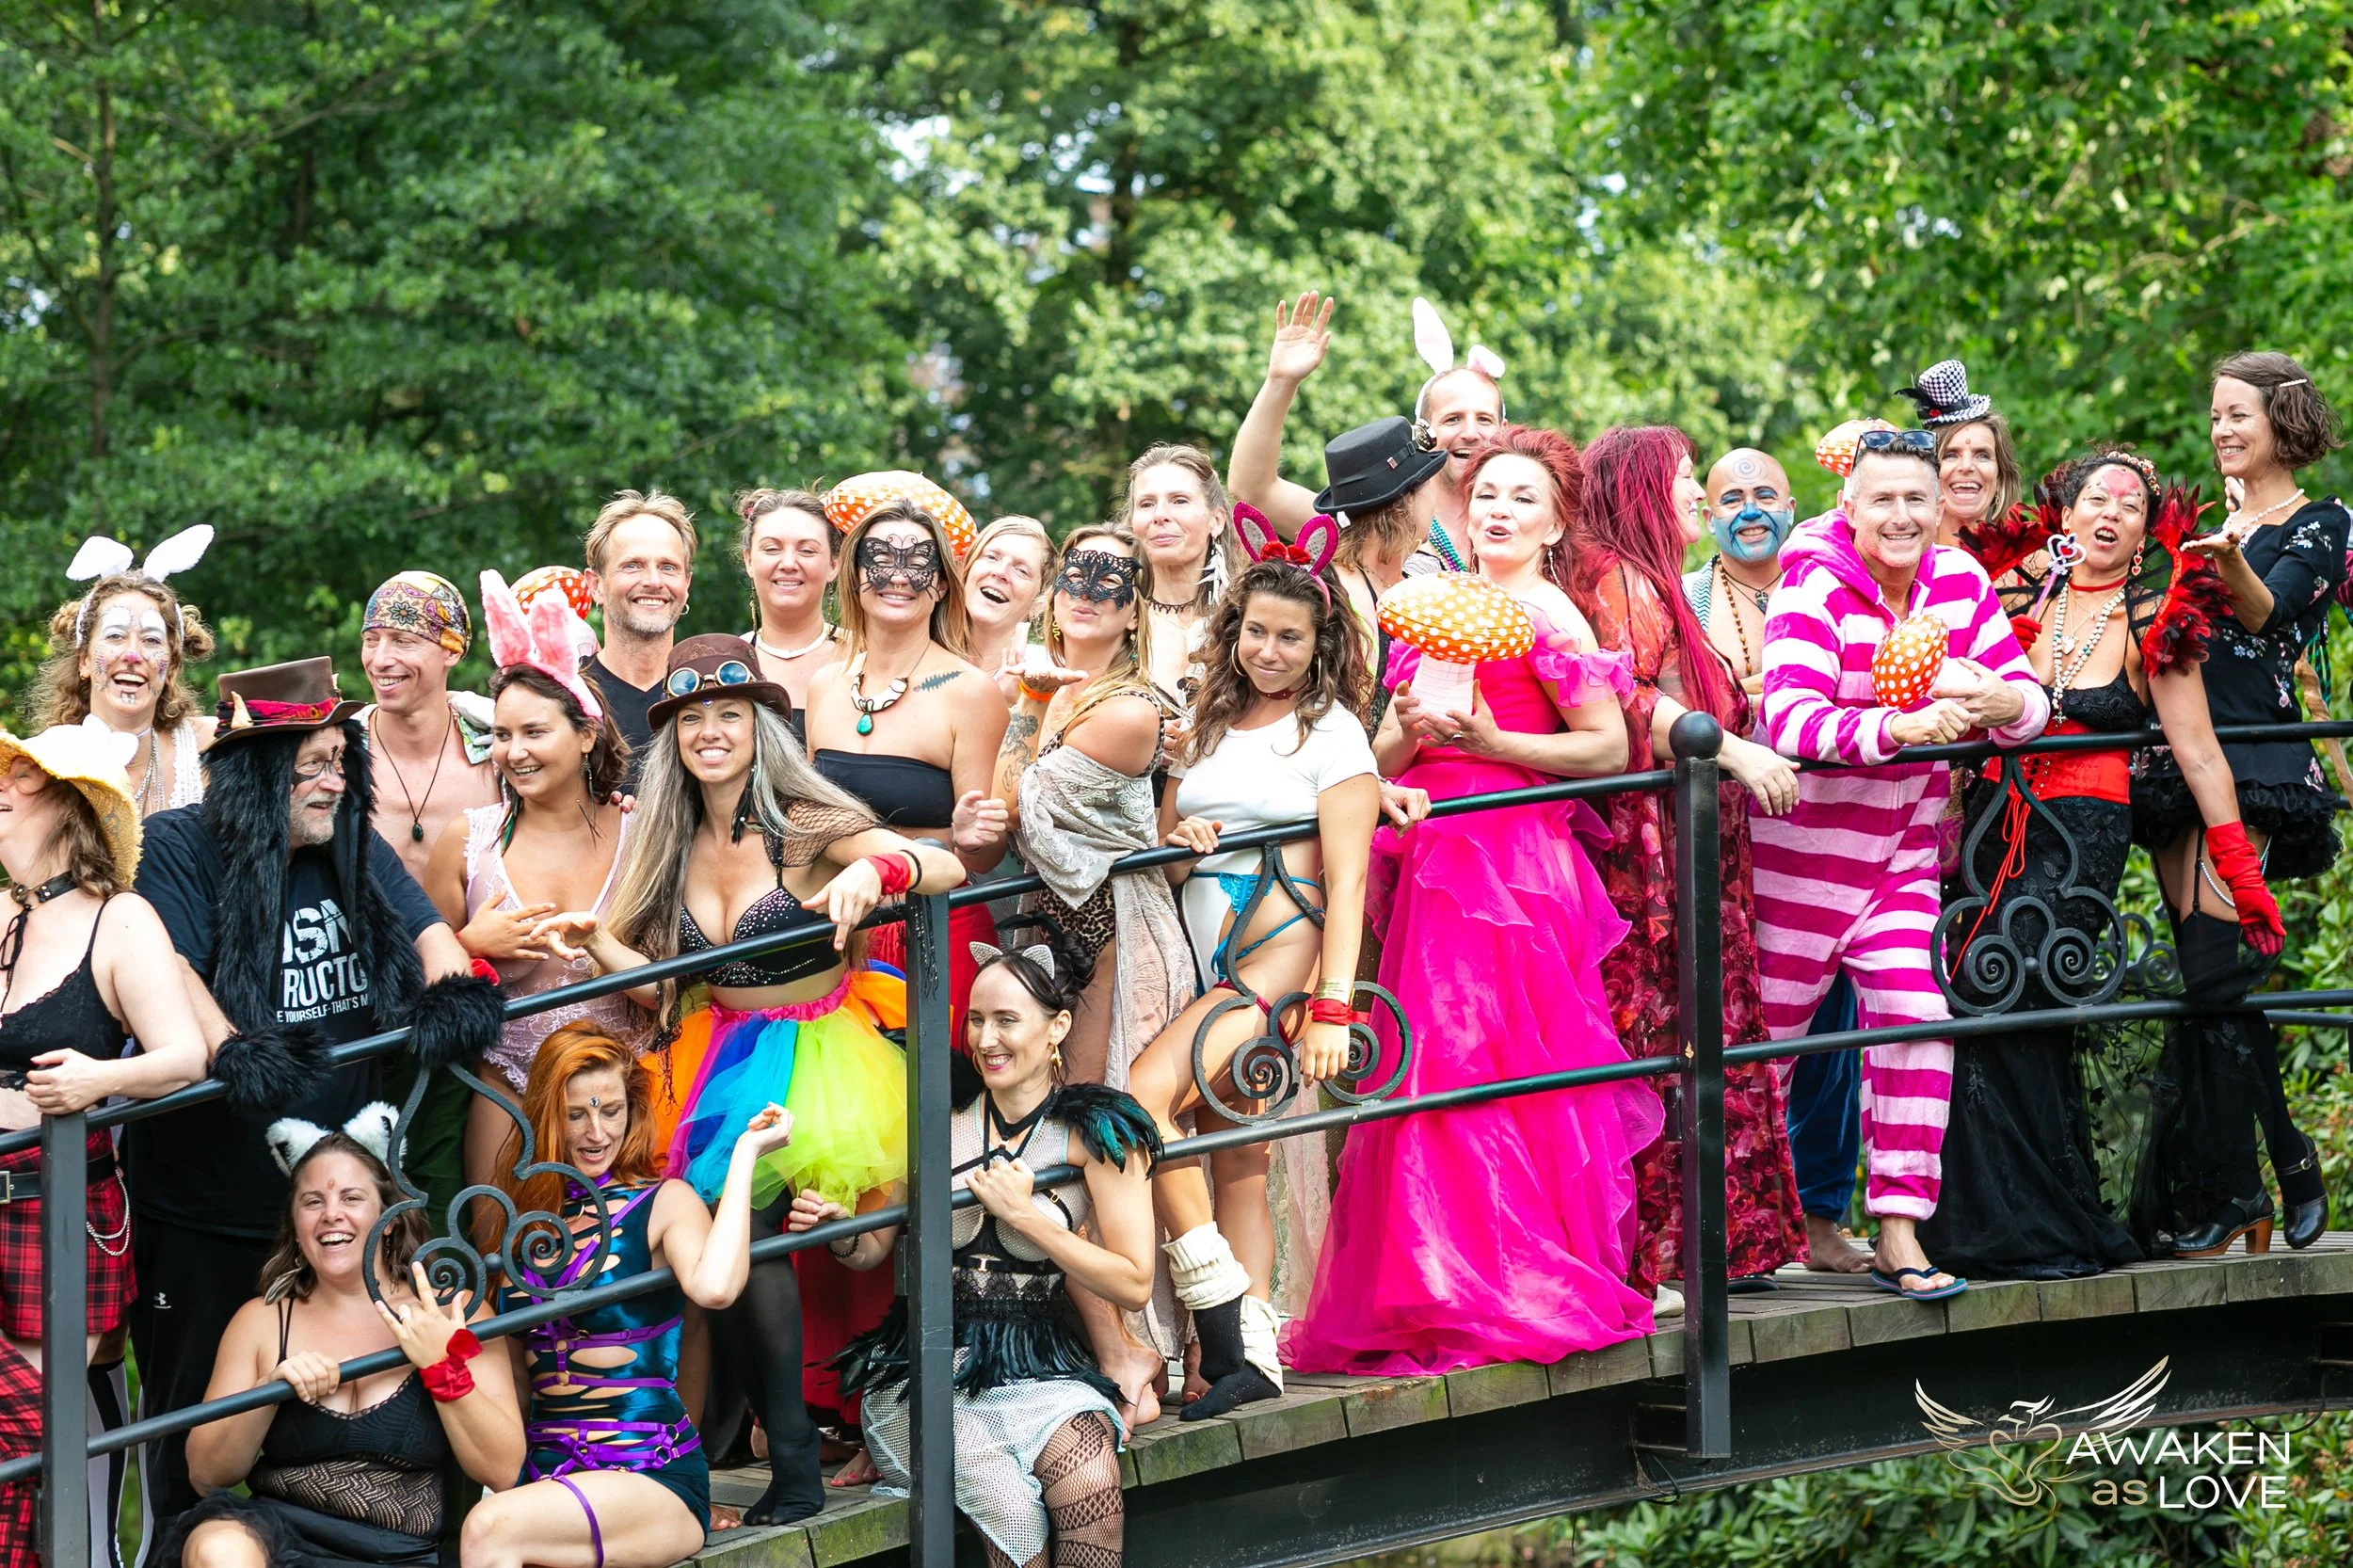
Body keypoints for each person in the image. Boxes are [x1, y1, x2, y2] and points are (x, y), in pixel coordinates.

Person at [542, 634, 963, 1525]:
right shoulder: (671, 838)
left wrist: (872, 870)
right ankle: (760, 1443)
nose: (710, 733)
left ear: (760, 723)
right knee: (722, 1227)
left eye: (728, 714)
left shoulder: (806, 821)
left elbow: (946, 866)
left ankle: (802, 1459)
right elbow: (658, 982)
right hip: (717, 1052)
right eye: (692, 719)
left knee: (776, 1225)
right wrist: (592, 943)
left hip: (821, 1049)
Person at [1286, 424, 1659, 1377]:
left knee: (1501, 1057)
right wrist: (1409, 735)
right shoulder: (1432, 606)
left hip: (1518, 864)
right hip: (1431, 855)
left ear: (1554, 521)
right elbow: (1382, 761)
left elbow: (1604, 751)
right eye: (1486, 492)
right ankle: (1433, 1275)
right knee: (1428, 1063)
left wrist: (1494, 743)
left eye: (1521, 498)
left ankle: (1512, 1271)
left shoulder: (1553, 618)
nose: (1497, 509)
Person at [127, 656, 500, 1538]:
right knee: (196, 1422)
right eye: (314, 764)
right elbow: (170, 965)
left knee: (373, 1401)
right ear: (261, 773)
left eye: (342, 758)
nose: (335, 778)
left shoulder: (350, 842)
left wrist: (451, 994)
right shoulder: (179, 844)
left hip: (340, 1203)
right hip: (209, 1199)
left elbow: (426, 927)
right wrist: (233, 1050)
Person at [1924, 450, 2274, 1279]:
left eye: (2131, 505)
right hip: (1991, 823)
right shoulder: (2015, 595)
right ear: (2065, 514)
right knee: (1970, 993)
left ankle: (2045, 1221)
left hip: (2082, 829)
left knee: (2025, 994)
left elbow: (2198, 753)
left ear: (2146, 531)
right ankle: (1981, 1221)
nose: (2111, 512)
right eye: (2095, 497)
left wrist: (2241, 870)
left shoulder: (2160, 615)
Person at [1751, 428, 2049, 1301]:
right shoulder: (1812, 585)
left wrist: (2003, 703)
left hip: (1902, 861)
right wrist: (1895, 730)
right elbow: (1791, 725)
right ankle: (1726, 1238)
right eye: (1882, 499)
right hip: (1798, 859)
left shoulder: (1959, 582)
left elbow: (2026, 697)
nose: (1902, 515)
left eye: (1917, 499)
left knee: (1916, 1019)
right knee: (1762, 1054)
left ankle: (1899, 1232)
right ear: (1849, 506)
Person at [1121, 525, 1380, 1420]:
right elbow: (1156, 846)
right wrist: (1174, 841)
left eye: (1290, 637)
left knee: (1143, 1098)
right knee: (1238, 1158)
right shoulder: (1203, 724)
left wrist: (1334, 1006)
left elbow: (1349, 880)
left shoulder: (1334, 734)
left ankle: (1223, 1329)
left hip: (1277, 956)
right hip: (1188, 951)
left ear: (1321, 647)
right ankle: (1248, 1362)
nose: (1268, 651)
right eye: (1255, 632)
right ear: (1234, 630)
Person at [799, 938, 1156, 1568]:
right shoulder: (935, 1125)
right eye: (976, 1019)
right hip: (928, 1374)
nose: (986, 1038)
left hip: (1045, 1371)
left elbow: (1133, 1283)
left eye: (1007, 1020)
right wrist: (842, 1229)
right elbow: (870, 1251)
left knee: (1092, 1485)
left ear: (1058, 1028)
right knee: (1013, 1510)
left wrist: (1029, 1219)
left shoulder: (1096, 1132)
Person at [1572, 426, 1806, 1308]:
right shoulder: (1620, 577)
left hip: (1693, 841)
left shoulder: (1639, 573)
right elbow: (1630, 694)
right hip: (1653, 846)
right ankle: (1661, 1252)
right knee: (1664, 1030)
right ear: (1639, 488)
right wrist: (1737, 754)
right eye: (1678, 482)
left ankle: (1704, 1246)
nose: (1692, 499)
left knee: (1694, 1031)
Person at [2132, 354, 2349, 1256]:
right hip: (2182, 754)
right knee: (2208, 981)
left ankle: (2285, 1168)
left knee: (2219, 972)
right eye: (2216, 416)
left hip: (2255, 756)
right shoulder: (2214, 521)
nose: (2222, 430)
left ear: (2282, 420)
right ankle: (2241, 1190)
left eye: (2238, 415)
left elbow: (2272, 619)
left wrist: (2226, 563)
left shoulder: (2325, 520)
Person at [455, 1025, 797, 1567]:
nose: (596, 1132)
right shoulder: (522, 1228)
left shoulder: (665, 1201)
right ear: (546, 1115)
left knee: (488, 1529)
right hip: (547, 1481)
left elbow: (714, 1287)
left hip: (647, 1473)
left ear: (632, 1111)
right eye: (576, 1114)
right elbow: (519, 1383)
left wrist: (744, 1156)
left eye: (611, 1111)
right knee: (493, 1524)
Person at [0, 725, 210, 1565]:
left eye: (22, 776)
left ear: (70, 803)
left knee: (23, 1432)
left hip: (59, 1211)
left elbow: (186, 1055)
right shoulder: (1, 914)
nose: (2, 788)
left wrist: (94, 1081)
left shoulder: (122, 920)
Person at [171, 1111, 525, 1567]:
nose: (331, 1214)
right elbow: (207, 1475)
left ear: (391, 1218)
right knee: (217, 1547)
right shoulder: (261, 1321)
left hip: (398, 1554)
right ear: (296, 1227)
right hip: (278, 1541)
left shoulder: (456, 1312)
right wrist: (267, 1391)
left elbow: (502, 1468)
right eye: (312, 1201)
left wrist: (442, 1365)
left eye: (352, 1197)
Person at [424, 571, 643, 1191]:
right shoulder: (467, 843)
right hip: (506, 1090)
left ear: (586, 733)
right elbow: (414, 989)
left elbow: (679, 989)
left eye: (534, 732)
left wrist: (606, 947)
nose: (513, 751)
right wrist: (468, 946)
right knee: (507, 1262)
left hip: (627, 1088)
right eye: (501, 734)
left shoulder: (642, 832)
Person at [992, 524, 1191, 1090]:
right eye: (1073, 576)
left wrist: (1025, 702)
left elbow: (1010, 806)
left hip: (1113, 939)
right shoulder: (1055, 692)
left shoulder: (1129, 710)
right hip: (1046, 931)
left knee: (1090, 1118)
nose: (1086, 592)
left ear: (1134, 613)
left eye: (1111, 582)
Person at [807, 488, 1011, 1024]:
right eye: (879, 557)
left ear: (942, 583)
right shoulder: (824, 685)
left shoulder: (969, 690)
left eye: (917, 561)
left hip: (932, 933)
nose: (897, 575)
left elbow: (983, 856)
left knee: (935, 1101)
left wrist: (970, 836)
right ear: (852, 575)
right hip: (837, 935)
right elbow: (809, 820)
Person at [35, 526, 218, 815]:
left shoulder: (212, 747)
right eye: (115, 636)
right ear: (84, 660)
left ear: (171, 667)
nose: (133, 655)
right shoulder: (44, 762)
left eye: (151, 640)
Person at [356, 571, 501, 884]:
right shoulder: (339, 752)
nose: (380, 660)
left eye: (402, 641)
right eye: (371, 640)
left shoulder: (497, 755)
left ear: (452, 650)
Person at [583, 489, 698, 759]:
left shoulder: (708, 693)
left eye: (668, 567)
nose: (654, 581)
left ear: (686, 584)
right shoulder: (566, 695)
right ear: (596, 585)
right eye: (633, 565)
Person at [1124, 444, 1239, 706]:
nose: (1160, 515)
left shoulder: (1247, 613)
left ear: (1216, 521)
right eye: (1146, 504)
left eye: (1179, 501)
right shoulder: (1113, 615)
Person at [1682, 448, 1799, 697]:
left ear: (1789, 510)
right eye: (1732, 500)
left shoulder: (1826, 587)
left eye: (1765, 497)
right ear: (1710, 520)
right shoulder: (1682, 599)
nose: (1750, 512)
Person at [738, 488, 847, 715]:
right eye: (771, 549)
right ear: (748, 560)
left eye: (807, 551)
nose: (788, 563)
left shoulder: (866, 657)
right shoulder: (724, 662)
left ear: (834, 565)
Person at [1897, 360, 2024, 549]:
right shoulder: (1898, 567)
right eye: (1950, 455)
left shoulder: (2038, 568)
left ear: (2001, 476)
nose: (1966, 466)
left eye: (1982, 455)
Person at [964, 515, 1058, 704]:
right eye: (991, 557)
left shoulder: (1046, 677)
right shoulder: (916, 654)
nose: (1000, 573)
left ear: (1038, 602)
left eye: (1022, 570)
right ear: (964, 571)